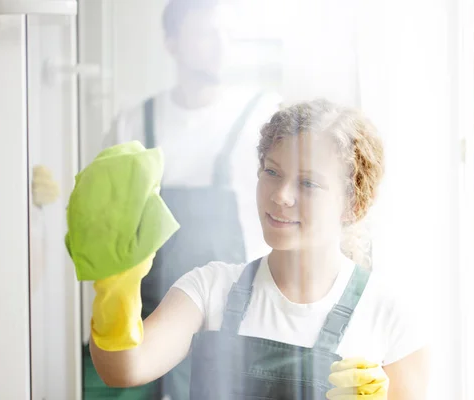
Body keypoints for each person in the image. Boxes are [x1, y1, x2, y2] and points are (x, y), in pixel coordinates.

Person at [85, 99, 431, 399]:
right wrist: (116, 282)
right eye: (272, 172)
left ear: (354, 205)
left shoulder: (388, 316)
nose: (280, 195)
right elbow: (124, 369)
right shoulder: (210, 290)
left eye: (308, 183)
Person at [88, 0, 281, 398]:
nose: (222, 45)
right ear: (172, 43)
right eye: (207, 34)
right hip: (148, 319)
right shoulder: (133, 123)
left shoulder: (262, 117)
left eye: (228, 34)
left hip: (236, 316)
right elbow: (105, 229)